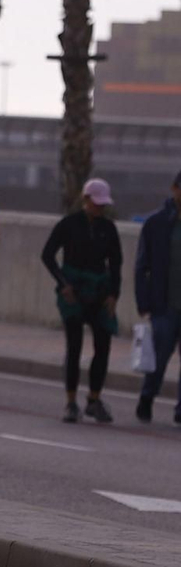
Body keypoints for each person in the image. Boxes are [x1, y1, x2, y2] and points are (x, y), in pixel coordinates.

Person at [40, 178, 122, 424]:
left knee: (103, 345)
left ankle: (94, 399)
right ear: (86, 200)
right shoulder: (68, 224)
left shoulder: (108, 228)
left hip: (99, 289)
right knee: (74, 345)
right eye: (96, 203)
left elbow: (116, 264)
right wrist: (64, 284)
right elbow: (48, 256)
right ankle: (70, 401)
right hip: (73, 288)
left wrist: (113, 294)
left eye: (102, 205)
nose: (100, 209)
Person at [132, 169, 181, 425]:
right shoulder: (157, 223)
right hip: (164, 305)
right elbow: (142, 266)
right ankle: (147, 397)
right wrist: (143, 301)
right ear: (175, 189)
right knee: (158, 358)